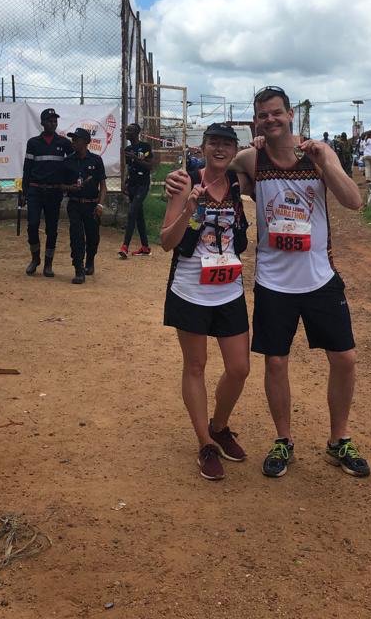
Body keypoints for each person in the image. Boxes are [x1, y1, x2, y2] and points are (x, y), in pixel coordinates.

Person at [169, 87, 370, 479]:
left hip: (320, 277)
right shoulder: (251, 158)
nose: (270, 120)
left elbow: (353, 201)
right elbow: (215, 167)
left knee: (344, 359)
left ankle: (339, 439)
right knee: (276, 363)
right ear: (256, 122)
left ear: (290, 114)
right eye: (263, 115)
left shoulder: (319, 154)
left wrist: (326, 163)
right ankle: (283, 440)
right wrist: (179, 181)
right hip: (274, 282)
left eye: (276, 113)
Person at [161, 123, 250, 481]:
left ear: (235, 151)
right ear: (202, 146)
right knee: (195, 366)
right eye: (213, 142)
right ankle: (205, 443)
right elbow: (166, 241)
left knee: (239, 368)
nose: (220, 149)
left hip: (229, 289)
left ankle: (219, 426)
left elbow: (262, 158)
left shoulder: (238, 183)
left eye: (227, 144)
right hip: (190, 290)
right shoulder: (185, 182)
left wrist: (258, 141)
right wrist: (190, 209)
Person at [21, 108, 72, 277]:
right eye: (50, 121)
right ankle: (35, 259)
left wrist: (68, 185)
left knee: (52, 228)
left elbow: (72, 164)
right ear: (42, 123)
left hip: (54, 192)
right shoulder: (33, 143)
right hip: (35, 191)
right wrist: (24, 192)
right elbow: (27, 168)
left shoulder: (64, 143)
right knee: (32, 225)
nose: (53, 123)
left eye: (55, 121)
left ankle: (48, 264)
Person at [62, 127, 107, 284]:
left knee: (93, 237)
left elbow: (103, 186)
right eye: (72, 139)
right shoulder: (67, 161)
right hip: (74, 204)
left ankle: (90, 261)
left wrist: (100, 205)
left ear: (86, 142)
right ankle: (79, 269)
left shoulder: (96, 160)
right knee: (76, 237)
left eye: (76, 139)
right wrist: (70, 188)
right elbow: (60, 185)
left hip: (92, 205)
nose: (73, 142)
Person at [119, 123, 154, 259]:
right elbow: (129, 168)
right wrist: (125, 183)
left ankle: (125, 246)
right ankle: (145, 247)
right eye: (126, 130)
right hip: (132, 185)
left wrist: (136, 158)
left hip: (142, 185)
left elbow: (150, 166)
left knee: (132, 212)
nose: (126, 132)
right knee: (139, 216)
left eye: (129, 130)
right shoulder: (127, 149)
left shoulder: (145, 147)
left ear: (136, 133)